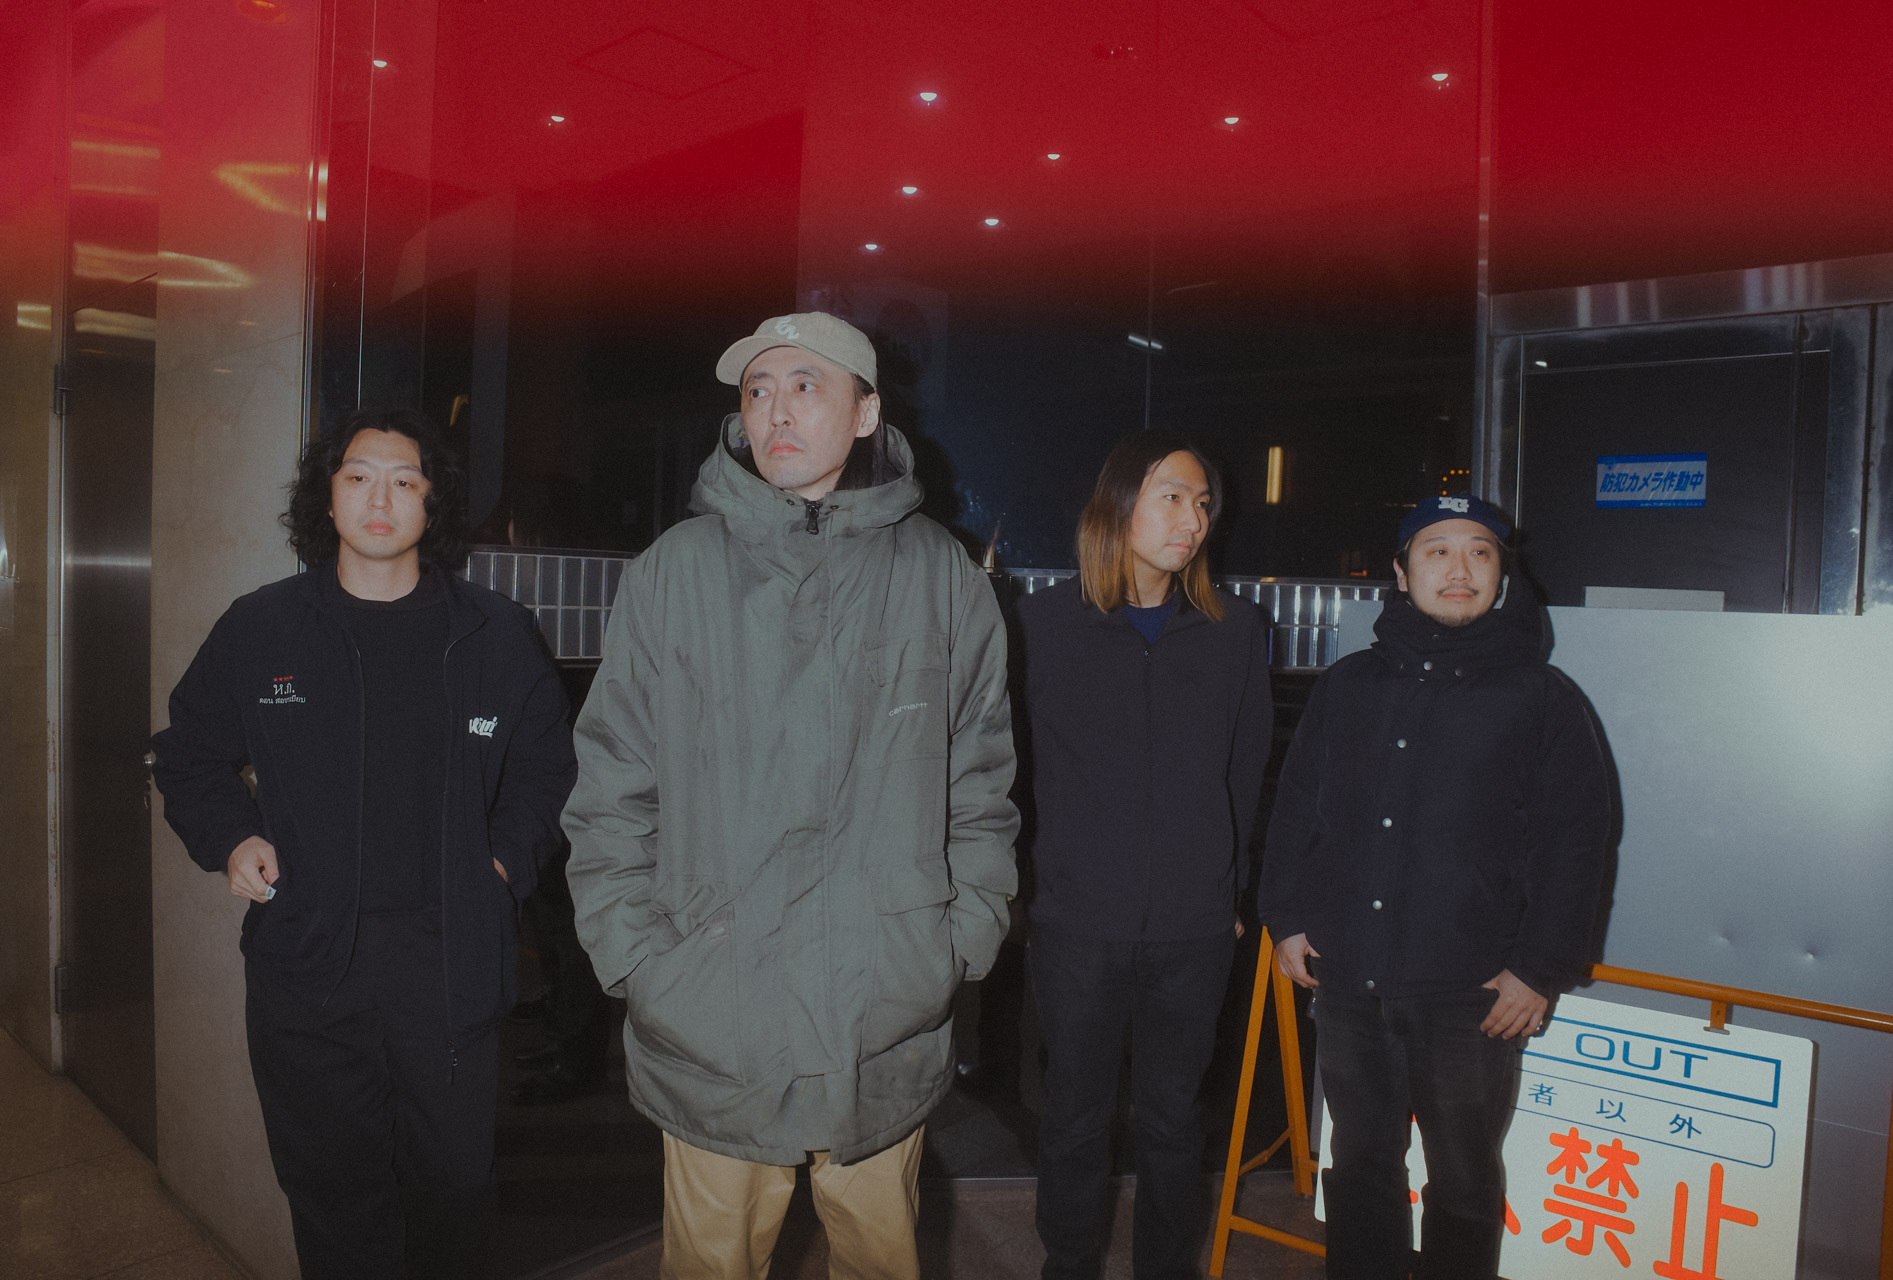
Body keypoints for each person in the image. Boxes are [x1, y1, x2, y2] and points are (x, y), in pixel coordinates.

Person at [563, 312, 1020, 1279]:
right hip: (713, 1017)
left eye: (806, 386)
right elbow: (611, 783)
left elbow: (979, 782)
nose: (776, 410)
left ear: (868, 413)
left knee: (881, 1263)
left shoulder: (941, 578)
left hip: (882, 1016)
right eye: (758, 389)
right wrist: (637, 956)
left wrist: (958, 938)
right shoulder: (674, 572)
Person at [150, 408, 576, 1278]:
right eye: (358, 477)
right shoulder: (263, 627)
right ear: (328, 495)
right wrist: (232, 838)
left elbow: (547, 769)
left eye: (404, 480)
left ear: (432, 501)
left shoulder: (494, 632)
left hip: (448, 964)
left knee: (454, 1195)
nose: (380, 499)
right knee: (335, 1203)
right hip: (309, 966)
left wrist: (500, 862)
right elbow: (186, 754)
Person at [1260, 494, 1609, 1278]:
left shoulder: (1542, 697)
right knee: (1360, 1165)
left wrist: (1539, 968)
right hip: (1351, 978)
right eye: (1437, 550)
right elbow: (1297, 808)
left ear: (1502, 574)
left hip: (1472, 994)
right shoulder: (1348, 685)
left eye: (1480, 552)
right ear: (1400, 571)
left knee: (1464, 1181)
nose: (1460, 569)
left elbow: (1578, 842)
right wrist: (1286, 916)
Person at [1013, 433, 1274, 1279]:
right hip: (1077, 922)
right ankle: (1068, 1265)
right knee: (1074, 1118)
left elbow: (1245, 774)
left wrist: (1230, 894)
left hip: (1195, 929)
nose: (1192, 519)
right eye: (1171, 497)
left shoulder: (1236, 631)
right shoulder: (1042, 626)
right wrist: (1028, 891)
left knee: (1173, 1122)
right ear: (1119, 504)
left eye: (1202, 503)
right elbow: (1009, 771)